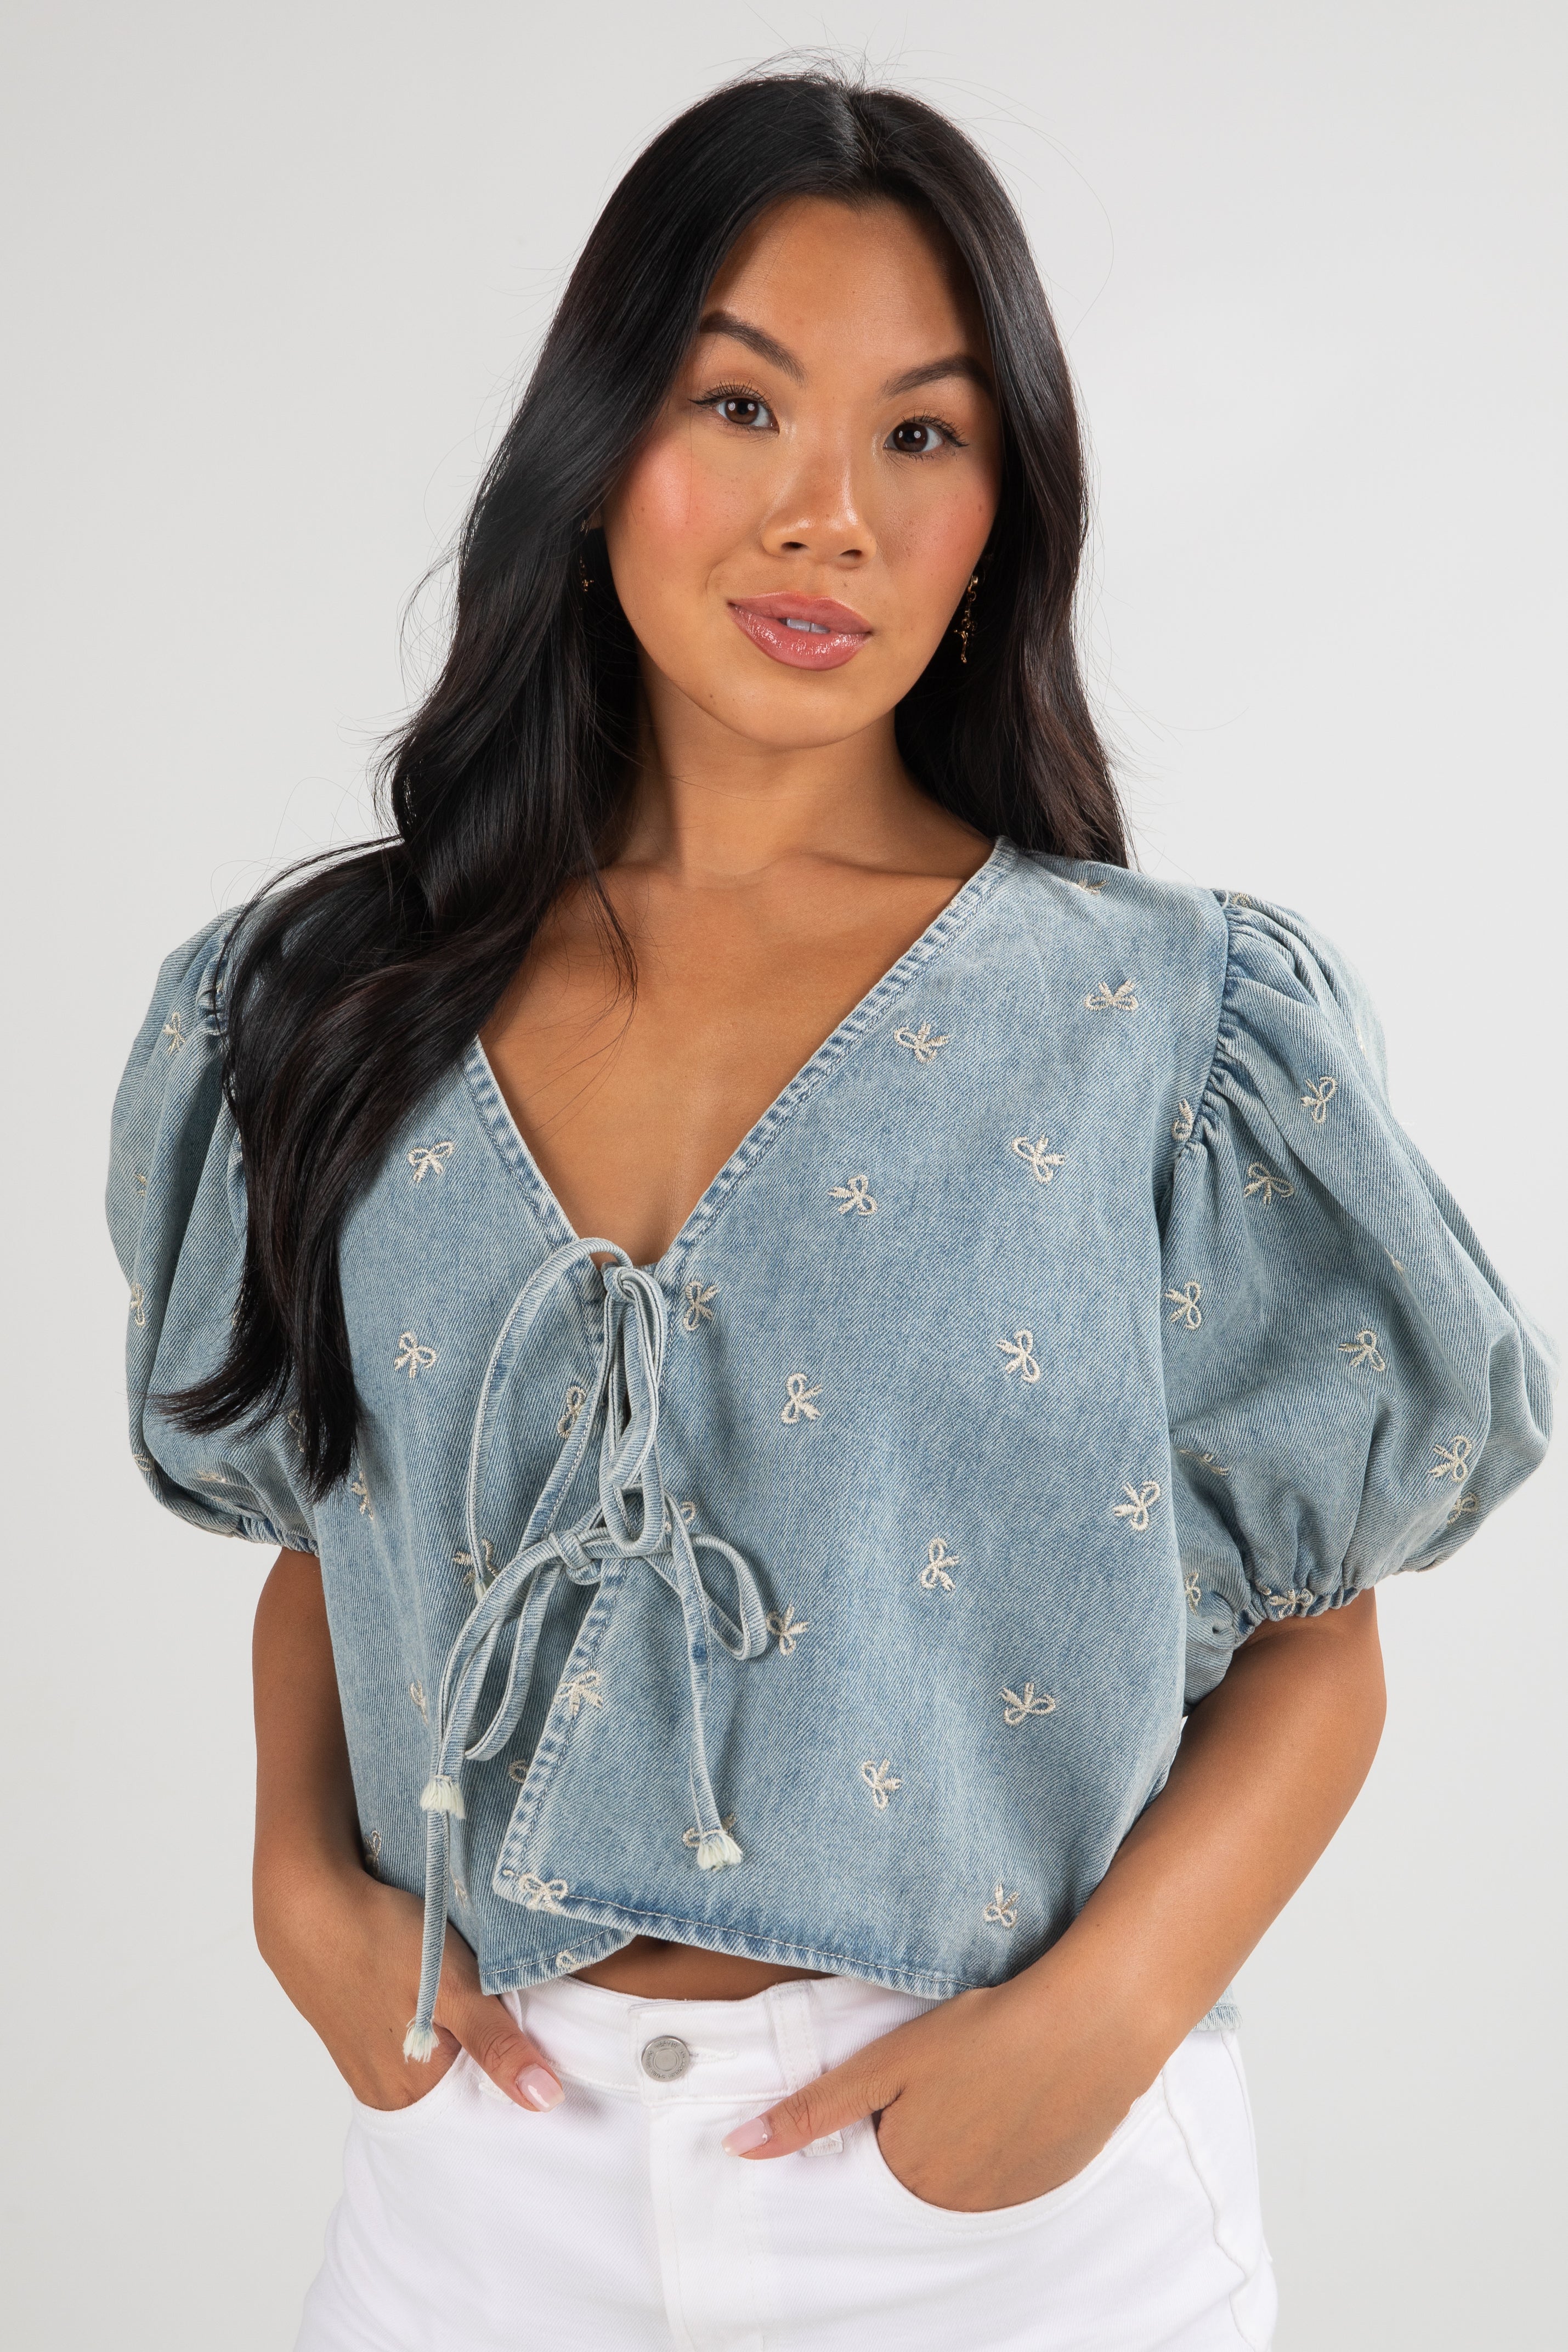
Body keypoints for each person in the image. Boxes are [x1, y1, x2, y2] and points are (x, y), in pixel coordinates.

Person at [108, 69, 1553, 2352]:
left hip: (997, 2203)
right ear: (599, 448)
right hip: (476, 2192)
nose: (829, 517)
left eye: (922, 435)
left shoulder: (1159, 1024)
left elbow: (1316, 1617)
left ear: (1003, 510)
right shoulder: (331, 1001)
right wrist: (297, 1875)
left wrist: (1108, 2015)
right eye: (741, 401)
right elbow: (322, 1519)